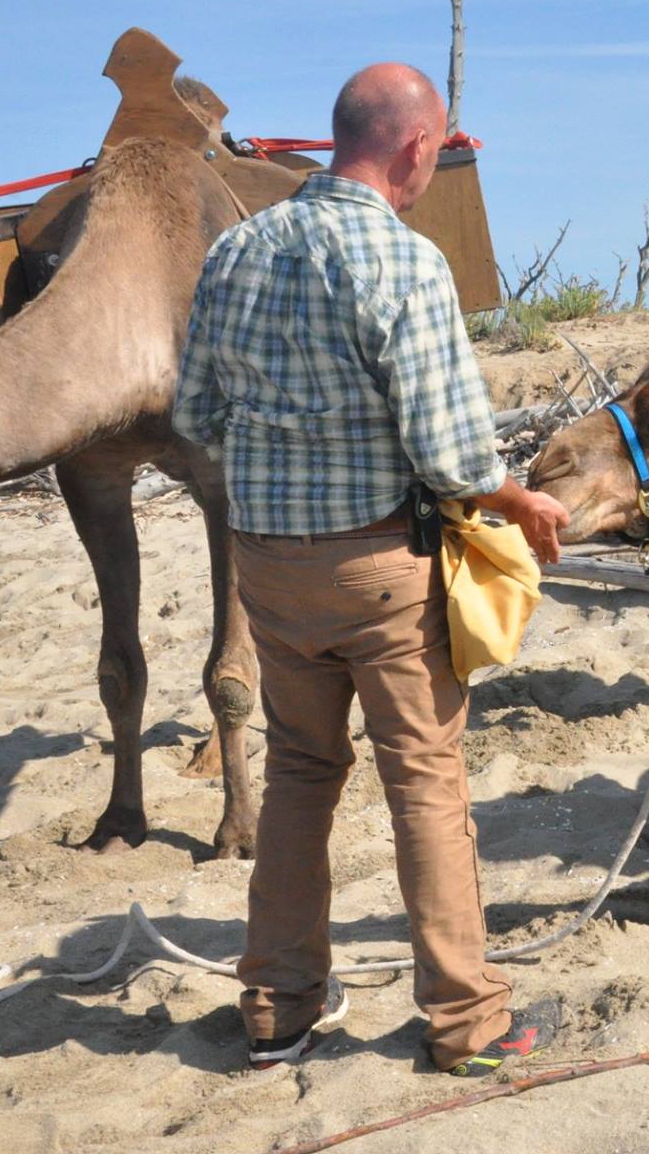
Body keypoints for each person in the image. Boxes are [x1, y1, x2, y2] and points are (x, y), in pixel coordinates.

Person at [173, 63, 571, 1077]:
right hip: (381, 569)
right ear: (414, 149)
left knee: (302, 774)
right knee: (425, 784)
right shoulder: (405, 262)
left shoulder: (234, 254)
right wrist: (515, 495)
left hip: (265, 567)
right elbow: (449, 459)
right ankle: (466, 1022)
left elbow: (195, 423)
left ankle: (276, 1008)